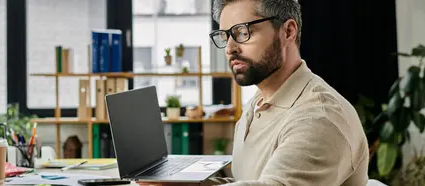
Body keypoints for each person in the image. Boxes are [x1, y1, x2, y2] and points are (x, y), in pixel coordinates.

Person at [139, 0, 369, 185]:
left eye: (243, 31)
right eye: (225, 35)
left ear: (287, 32)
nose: (229, 48)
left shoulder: (319, 117)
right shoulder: (257, 103)